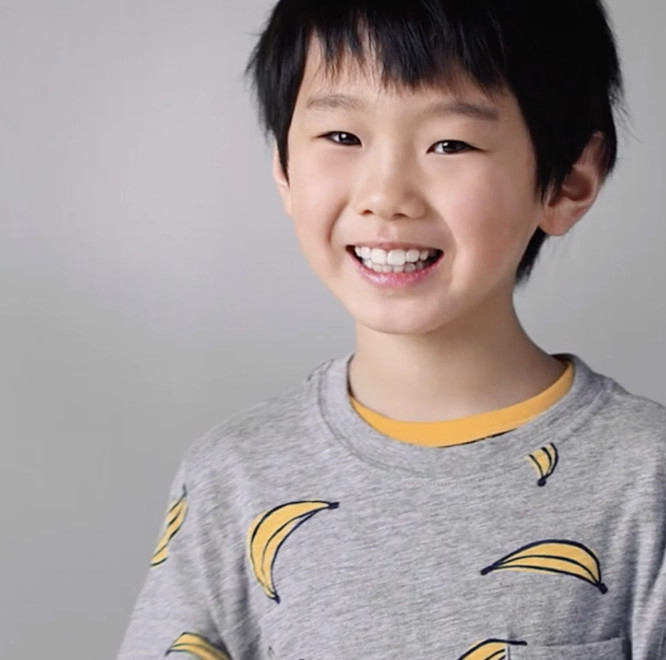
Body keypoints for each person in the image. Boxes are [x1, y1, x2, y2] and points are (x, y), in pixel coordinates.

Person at [117, 1, 666, 658]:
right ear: (283, 169)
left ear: (569, 181)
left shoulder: (646, 478)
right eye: (342, 137)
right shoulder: (232, 475)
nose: (386, 193)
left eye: (450, 144)